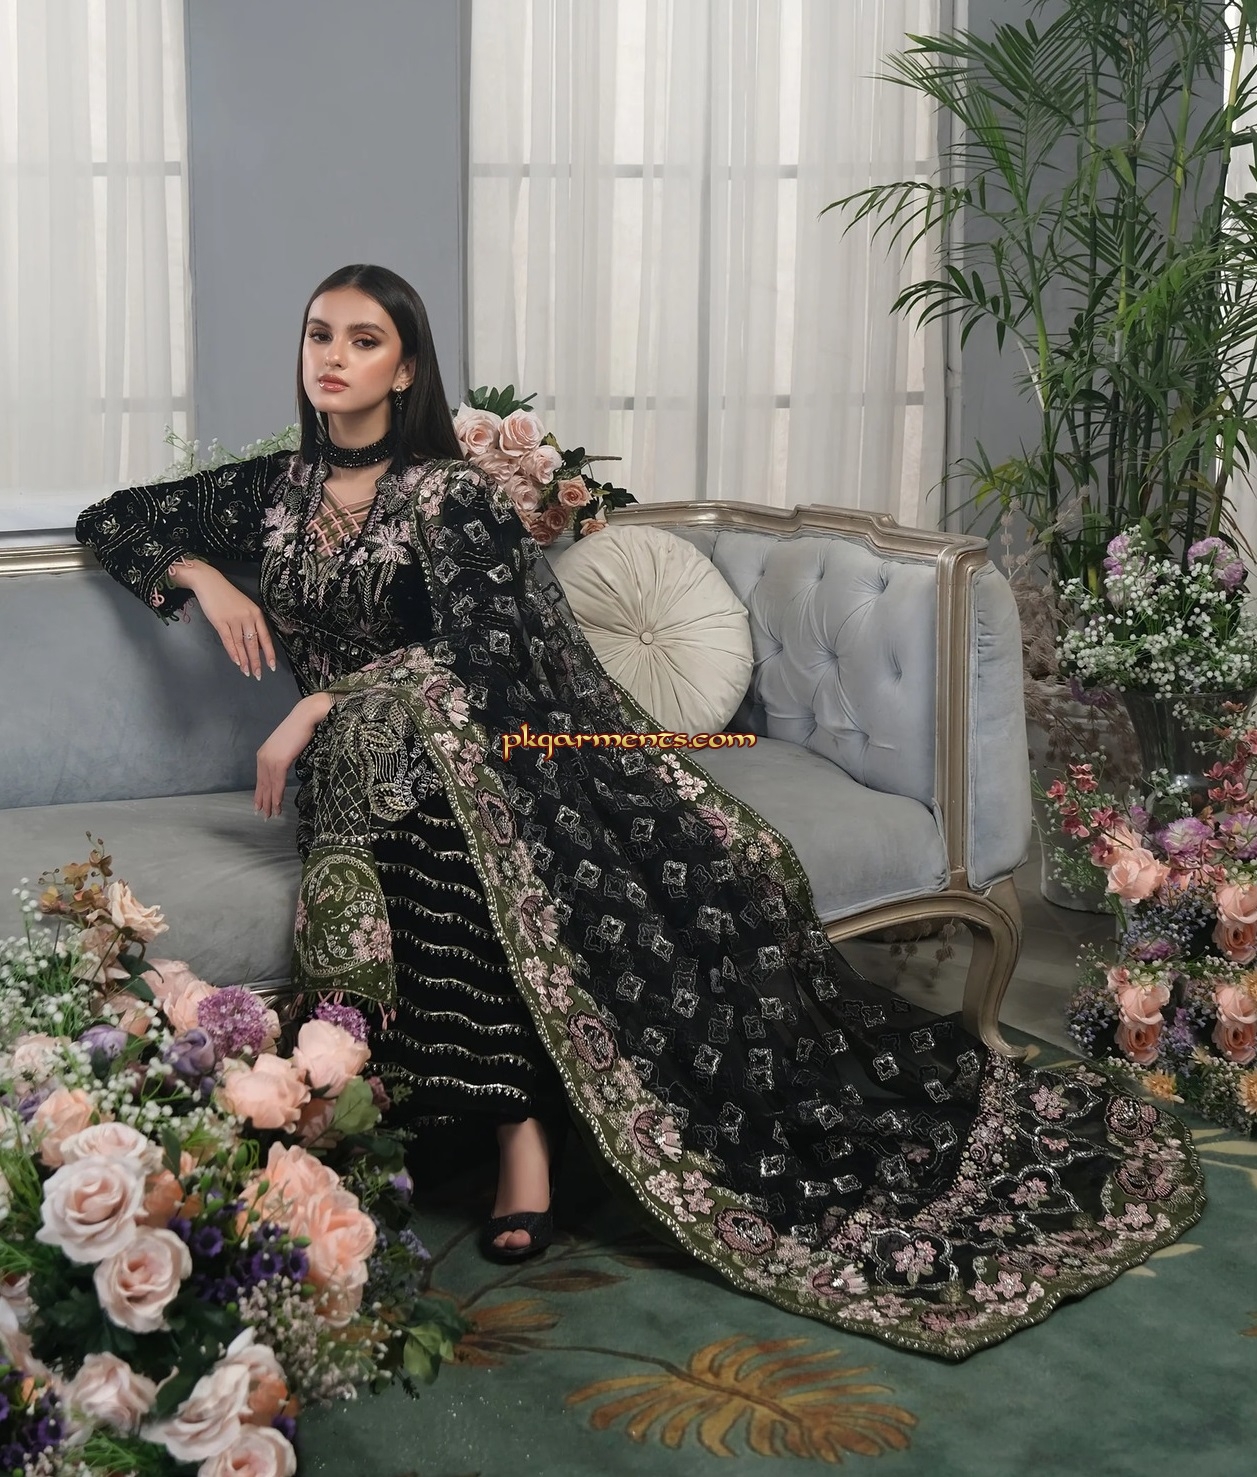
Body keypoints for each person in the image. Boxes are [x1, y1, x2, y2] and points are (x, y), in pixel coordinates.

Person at [77, 263, 1205, 1361]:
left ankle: (522, 1136)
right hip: (346, 773)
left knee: (462, 858)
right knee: (384, 863)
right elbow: (116, 517)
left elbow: (486, 658)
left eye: (362, 340)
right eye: (319, 334)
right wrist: (206, 576)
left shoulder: (447, 495)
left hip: (466, 748)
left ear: (405, 366)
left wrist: (319, 698)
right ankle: (396, 1131)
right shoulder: (270, 491)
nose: (333, 357)